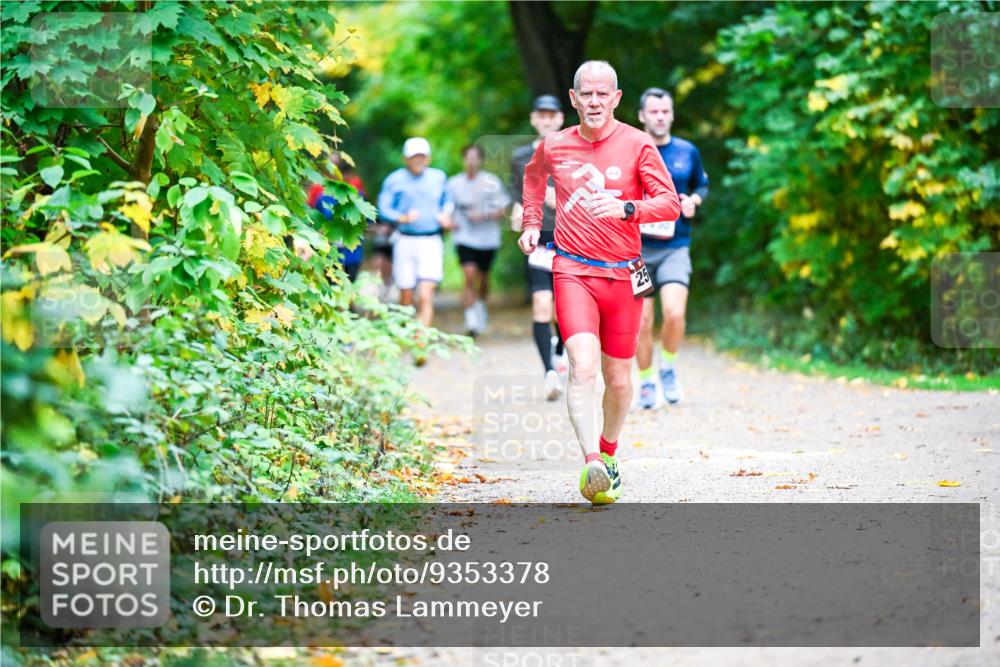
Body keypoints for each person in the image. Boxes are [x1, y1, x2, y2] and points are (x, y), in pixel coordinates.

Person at [518, 61, 681, 504]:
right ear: (573, 100)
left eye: (601, 94)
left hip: (626, 273)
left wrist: (628, 209)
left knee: (619, 378)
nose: (593, 102)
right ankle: (591, 460)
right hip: (572, 269)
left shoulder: (638, 143)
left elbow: (669, 204)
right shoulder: (554, 145)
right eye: (585, 95)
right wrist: (533, 223)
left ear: (616, 98)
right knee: (583, 366)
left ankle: (609, 453)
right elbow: (533, 180)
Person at [635, 88, 709, 408]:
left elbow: (701, 184)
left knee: (674, 312)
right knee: (641, 322)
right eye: (654, 112)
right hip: (635, 250)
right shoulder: (631, 151)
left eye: (665, 111)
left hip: (675, 246)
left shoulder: (687, 151)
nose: (660, 117)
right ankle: (647, 380)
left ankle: (668, 365)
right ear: (642, 116)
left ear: (672, 115)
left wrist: (693, 200)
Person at [510, 94, 567, 401]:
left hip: (571, 240)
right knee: (542, 304)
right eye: (541, 115)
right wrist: (516, 208)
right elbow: (515, 190)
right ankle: (549, 372)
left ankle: (560, 352)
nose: (546, 120)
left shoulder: (574, 153)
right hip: (539, 240)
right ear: (534, 119)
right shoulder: (520, 157)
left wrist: (560, 199)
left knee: (564, 310)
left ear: (560, 119)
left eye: (552, 115)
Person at [377, 137, 453, 353]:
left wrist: (446, 214)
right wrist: (401, 218)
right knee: (407, 295)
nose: (418, 160)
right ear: (405, 159)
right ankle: (409, 333)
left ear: (428, 158)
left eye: (421, 156)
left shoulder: (438, 178)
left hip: (431, 240)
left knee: (426, 293)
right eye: (413, 157)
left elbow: (448, 200)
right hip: (405, 240)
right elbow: (383, 208)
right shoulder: (394, 180)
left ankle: (421, 344)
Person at [447, 144, 511, 337]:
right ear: (463, 160)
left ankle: (481, 306)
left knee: (483, 277)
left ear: (481, 160)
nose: (472, 161)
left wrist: (483, 215)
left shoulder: (491, 182)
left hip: (487, 239)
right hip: (464, 237)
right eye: (468, 158)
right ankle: (470, 319)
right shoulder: (453, 184)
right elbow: (445, 208)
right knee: (469, 274)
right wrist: (449, 220)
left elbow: (503, 210)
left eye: (475, 158)